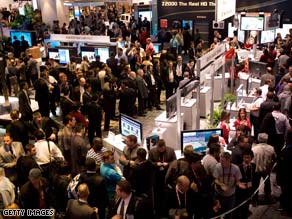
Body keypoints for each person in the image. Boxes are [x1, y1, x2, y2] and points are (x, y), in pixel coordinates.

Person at [213, 152, 245, 218]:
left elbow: (237, 181)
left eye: (222, 161)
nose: (220, 163)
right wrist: (221, 184)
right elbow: (215, 179)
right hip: (219, 195)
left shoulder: (236, 168)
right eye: (220, 160)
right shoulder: (218, 166)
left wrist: (239, 184)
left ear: (229, 160)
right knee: (217, 212)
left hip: (231, 196)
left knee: (229, 212)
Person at [252, 133, 276, 204]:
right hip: (266, 169)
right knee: (267, 183)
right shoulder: (271, 148)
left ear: (258, 139)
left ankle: (254, 200)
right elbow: (274, 158)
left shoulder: (254, 148)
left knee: (255, 184)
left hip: (257, 169)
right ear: (266, 139)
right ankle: (268, 198)